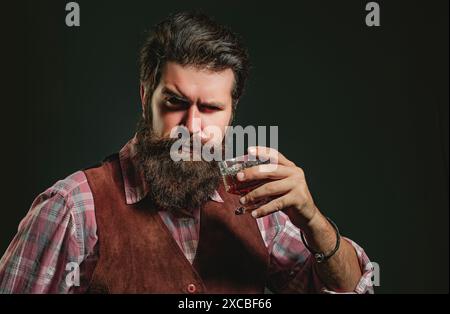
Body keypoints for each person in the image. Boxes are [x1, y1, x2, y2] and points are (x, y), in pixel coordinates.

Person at [0, 11, 373, 294]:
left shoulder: (255, 206)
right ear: (147, 97)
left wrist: (312, 221)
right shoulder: (73, 209)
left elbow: (354, 289)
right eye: (175, 102)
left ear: (232, 113)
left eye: (210, 108)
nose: (191, 127)